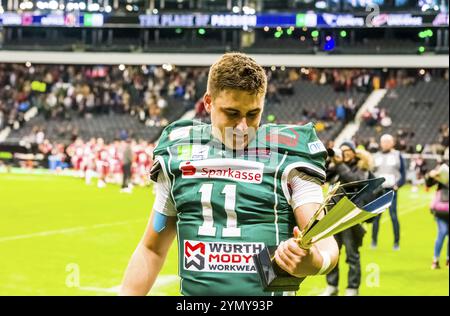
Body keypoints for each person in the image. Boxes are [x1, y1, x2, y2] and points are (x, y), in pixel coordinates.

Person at [119, 52, 339, 296]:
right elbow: (152, 249)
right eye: (232, 113)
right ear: (208, 102)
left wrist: (317, 262)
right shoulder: (179, 153)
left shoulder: (289, 156)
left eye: (253, 114)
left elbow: (326, 242)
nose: (243, 127)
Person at [321, 141, 374, 296]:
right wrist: (329, 160)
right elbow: (322, 176)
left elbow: (354, 181)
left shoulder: (361, 167)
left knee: (352, 255)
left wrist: (339, 164)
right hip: (332, 216)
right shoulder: (337, 166)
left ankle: (352, 288)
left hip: (350, 217)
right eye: (342, 150)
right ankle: (332, 285)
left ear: (354, 152)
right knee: (332, 253)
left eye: (347, 150)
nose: (344, 153)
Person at [371, 134, 406, 250]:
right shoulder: (375, 156)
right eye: (383, 141)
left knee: (393, 216)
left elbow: (403, 174)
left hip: (391, 190)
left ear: (393, 143)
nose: (385, 143)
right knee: (376, 217)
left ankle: (396, 243)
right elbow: (371, 173)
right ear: (380, 143)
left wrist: (398, 185)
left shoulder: (397, 155)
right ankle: (374, 241)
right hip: (378, 191)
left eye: (388, 141)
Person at [425, 162, 449, 269]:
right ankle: (435, 259)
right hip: (441, 209)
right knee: (442, 232)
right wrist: (431, 175)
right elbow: (429, 183)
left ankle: (448, 260)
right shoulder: (444, 169)